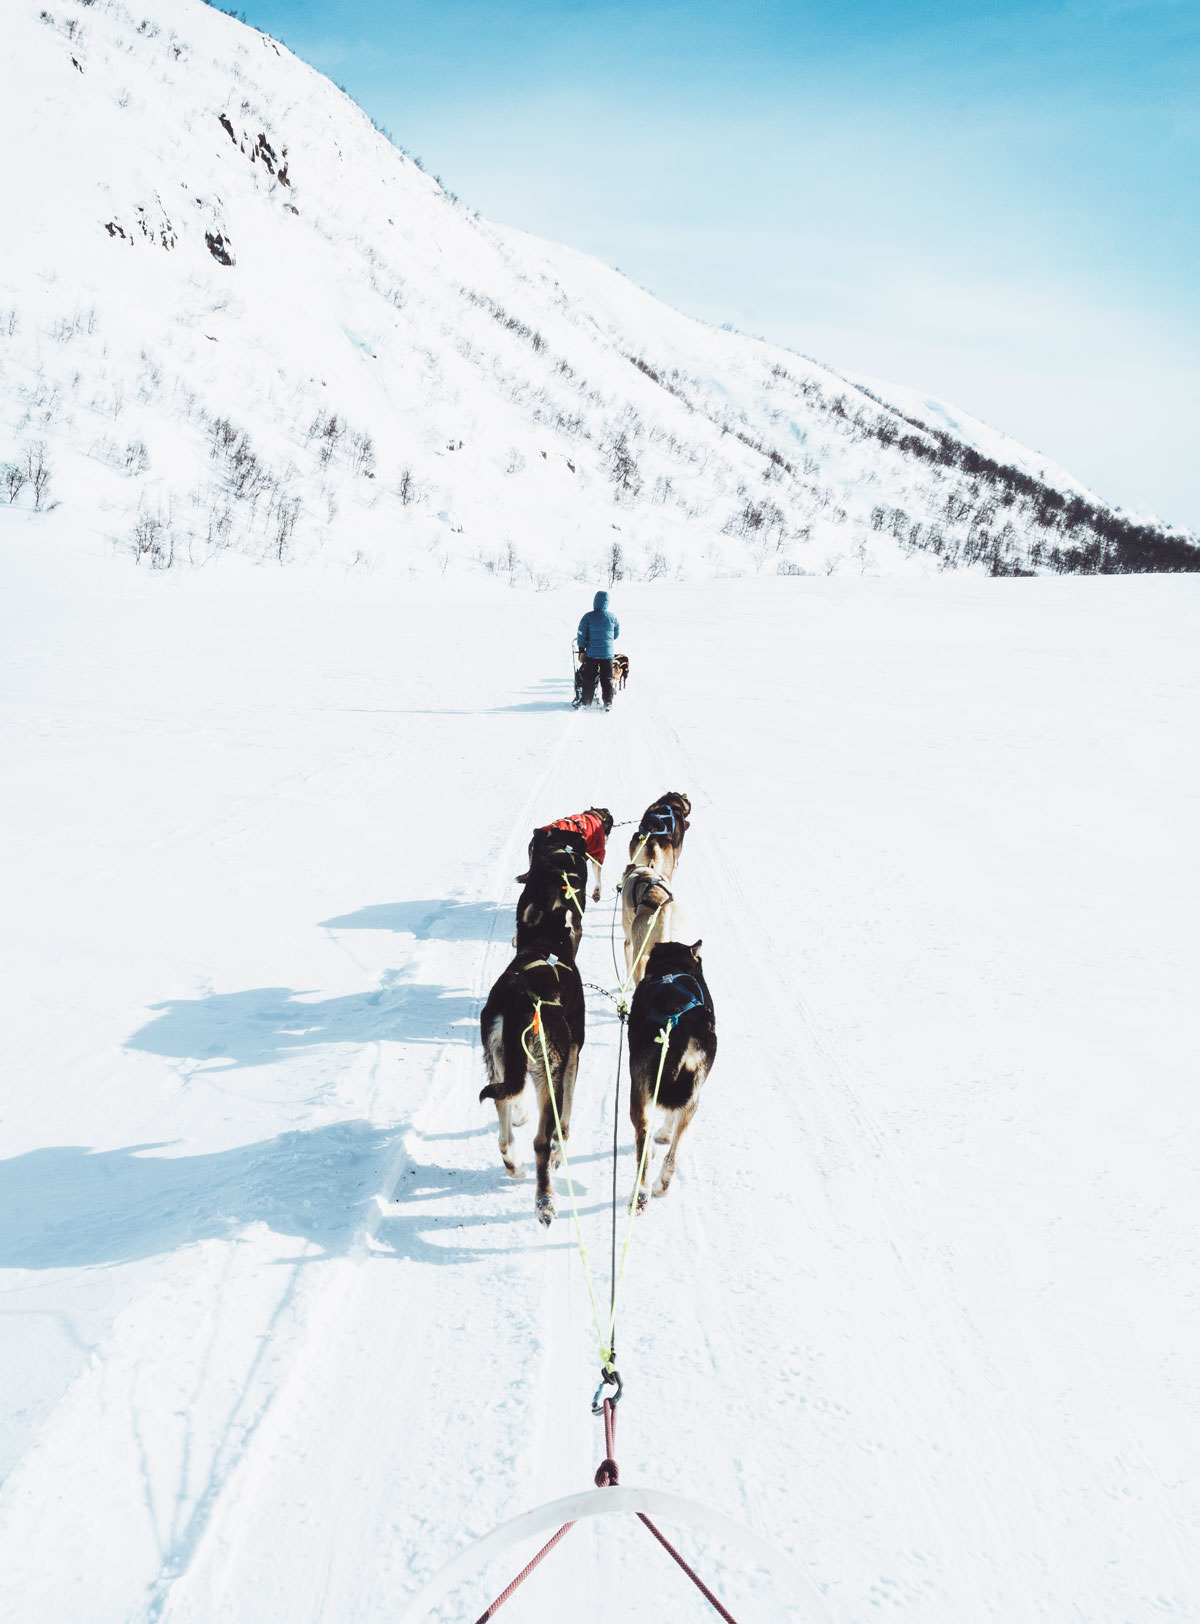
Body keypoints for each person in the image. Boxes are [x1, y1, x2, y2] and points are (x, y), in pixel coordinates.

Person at [575, 589, 620, 710]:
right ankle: (608, 702)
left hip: (592, 654)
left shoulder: (588, 617)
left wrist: (581, 649)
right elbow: (616, 635)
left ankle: (586, 701)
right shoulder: (613, 617)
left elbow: (581, 634)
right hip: (607, 655)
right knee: (607, 679)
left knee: (589, 678)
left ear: (595, 601)